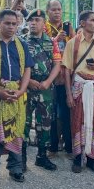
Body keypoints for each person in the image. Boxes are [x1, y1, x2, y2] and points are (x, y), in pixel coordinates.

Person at [0, 9, 34, 183]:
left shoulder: (22, 44)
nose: (11, 27)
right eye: (7, 23)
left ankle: (15, 168)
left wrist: (21, 90)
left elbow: (27, 69)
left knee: (16, 131)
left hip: (17, 95)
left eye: (14, 24)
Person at [62, 11, 94, 174]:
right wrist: (68, 94)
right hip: (78, 88)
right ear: (82, 23)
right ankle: (77, 156)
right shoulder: (72, 43)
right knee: (77, 121)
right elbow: (66, 70)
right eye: (93, 20)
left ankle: (91, 157)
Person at [24, 9, 61, 171]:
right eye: (31, 20)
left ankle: (42, 156)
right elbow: (18, 65)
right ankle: (21, 157)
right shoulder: (21, 41)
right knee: (23, 123)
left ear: (43, 23)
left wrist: (48, 82)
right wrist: (28, 81)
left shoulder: (51, 42)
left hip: (46, 88)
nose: (33, 23)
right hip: (26, 87)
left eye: (37, 20)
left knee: (45, 123)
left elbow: (57, 64)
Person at [45, 0, 74, 155]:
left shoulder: (68, 27)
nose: (57, 12)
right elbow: (41, 49)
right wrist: (56, 40)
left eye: (59, 9)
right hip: (50, 76)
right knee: (52, 114)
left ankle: (69, 146)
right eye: (53, 9)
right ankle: (53, 146)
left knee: (66, 113)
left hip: (66, 76)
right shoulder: (44, 28)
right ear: (47, 12)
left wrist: (67, 39)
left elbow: (75, 48)